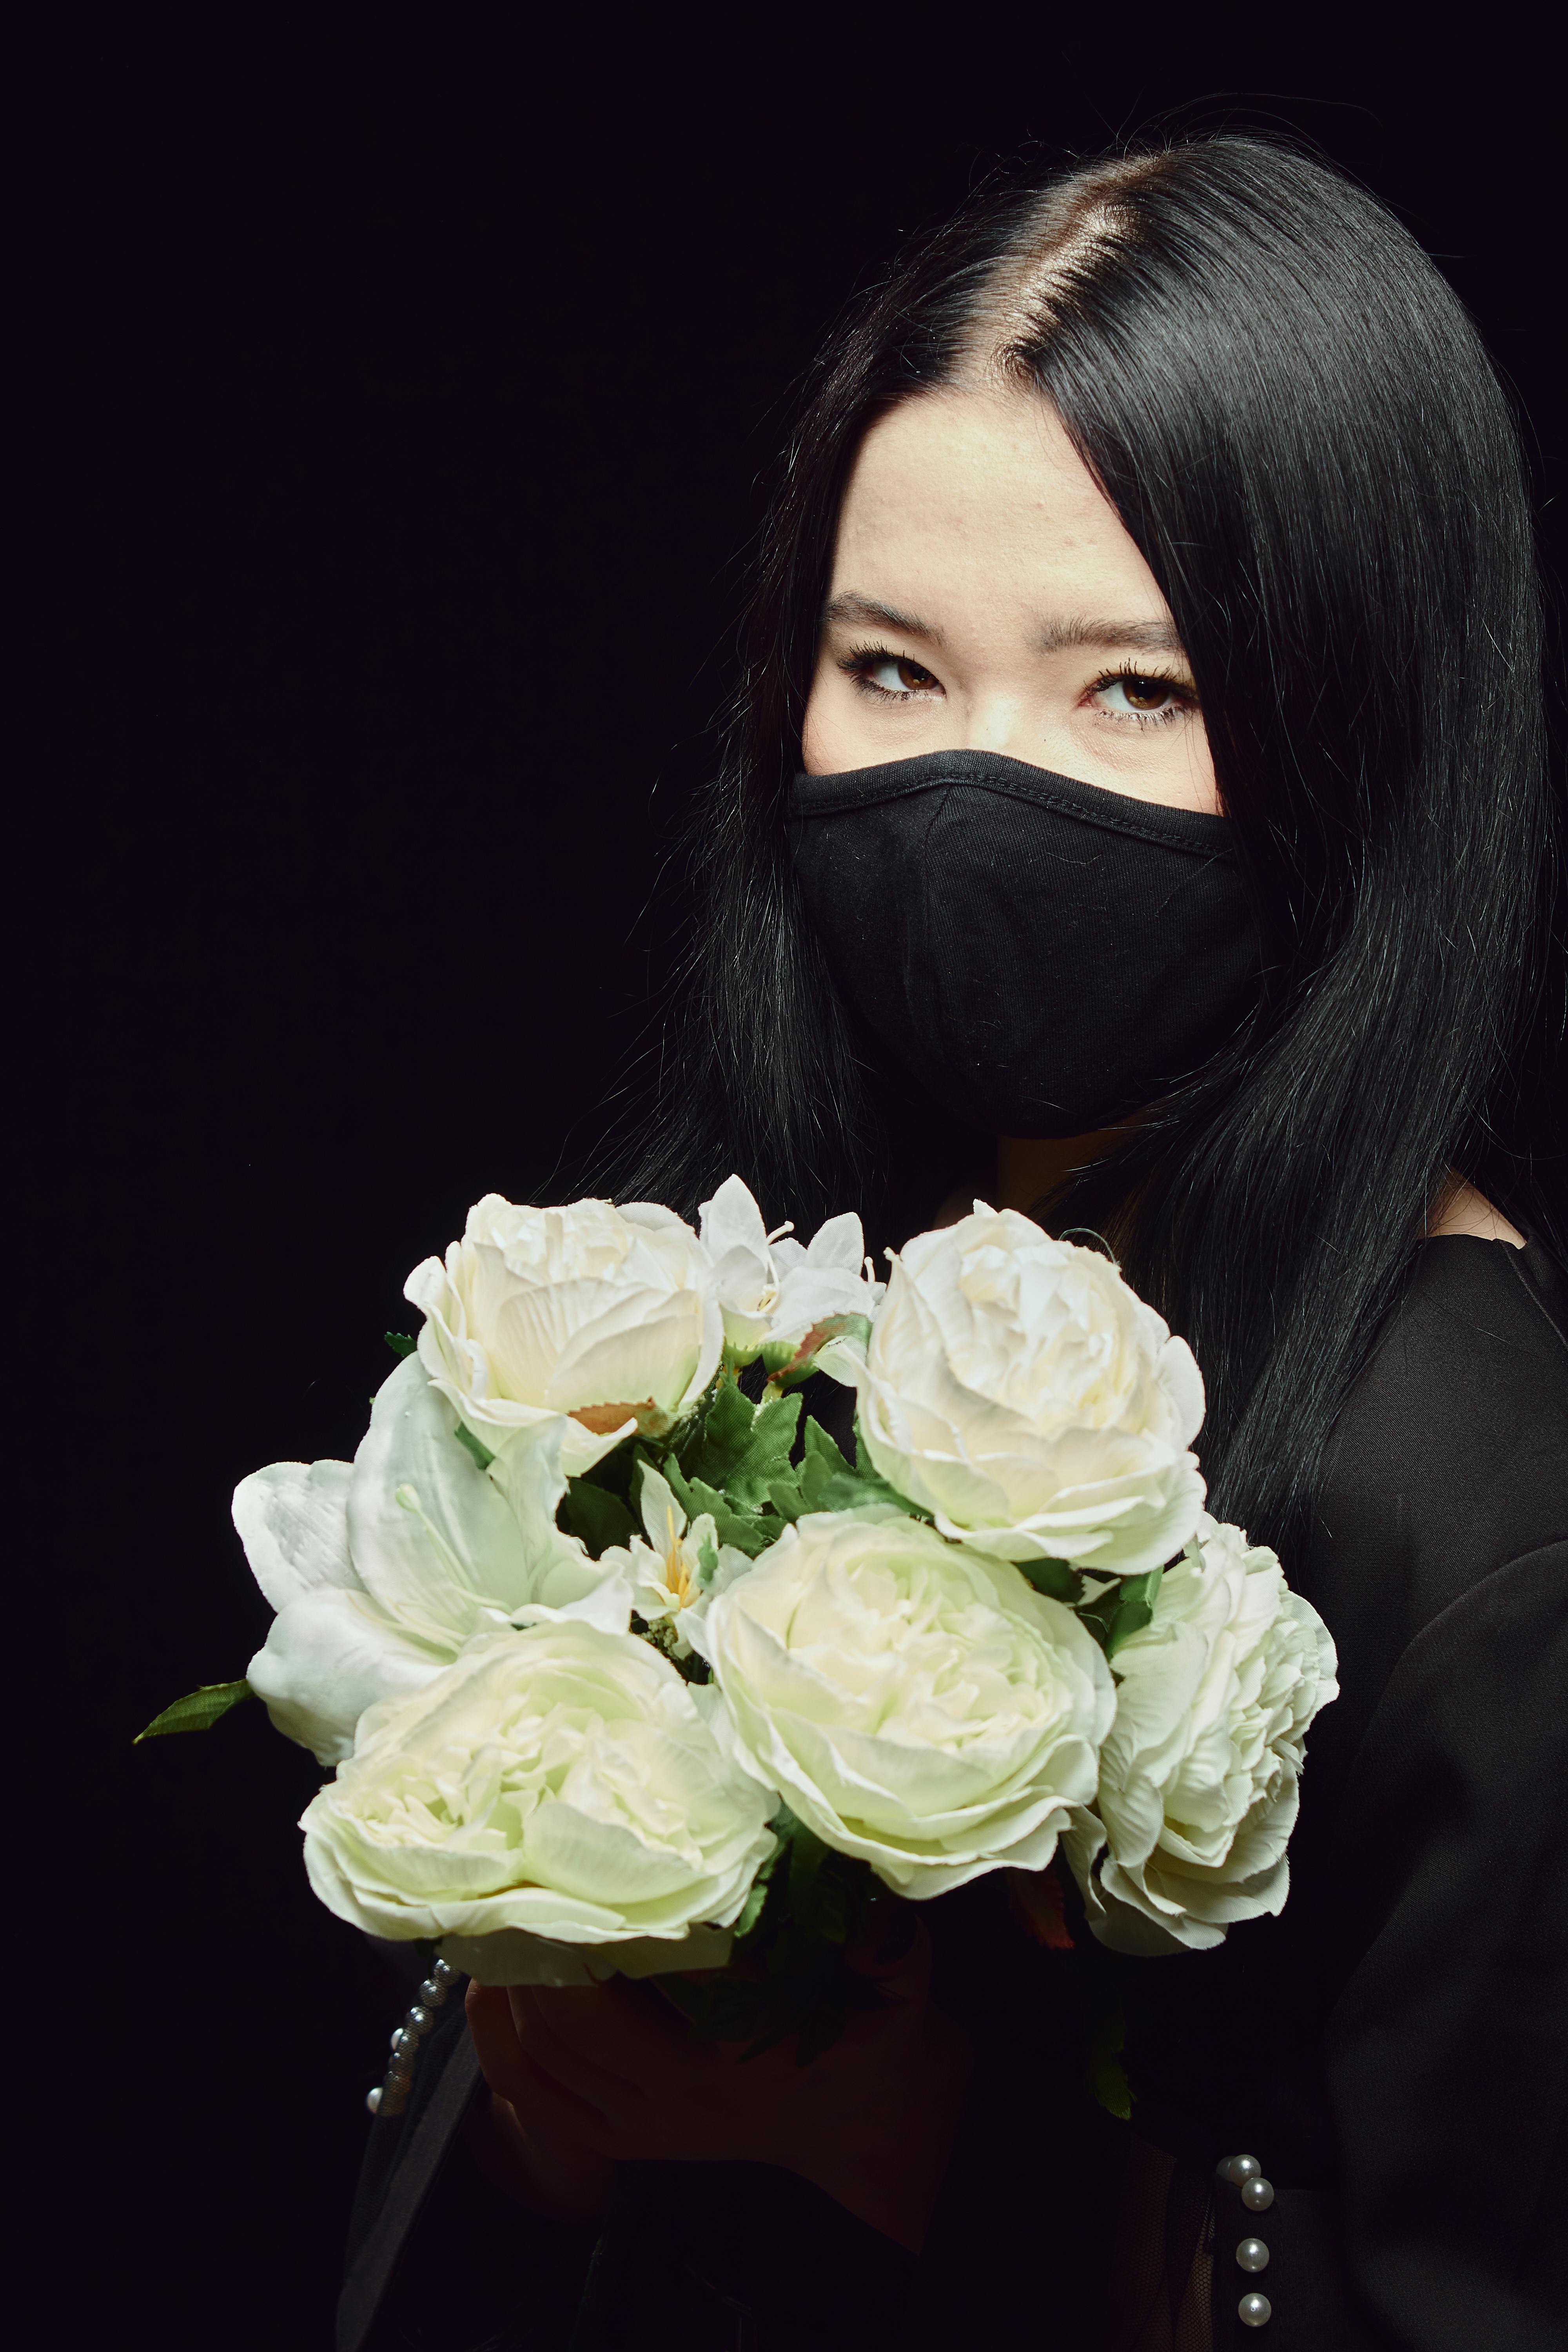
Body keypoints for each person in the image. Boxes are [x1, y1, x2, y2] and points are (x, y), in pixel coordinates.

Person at [337, 134, 1567, 2352]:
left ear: (1365, 728)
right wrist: (562, 2089)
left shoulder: (1476, 1510)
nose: (979, 786)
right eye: (892, 669)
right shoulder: (777, 1288)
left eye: (1136, 690)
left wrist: (915, 2140)